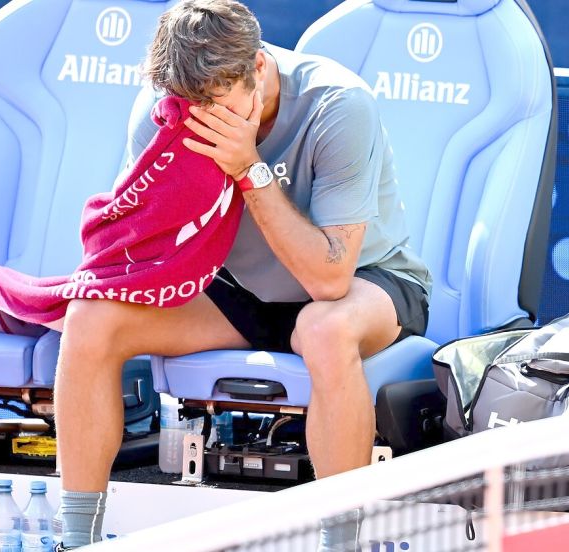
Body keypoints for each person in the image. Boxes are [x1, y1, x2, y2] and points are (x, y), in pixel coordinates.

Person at [52, 0, 432, 549]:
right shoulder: (165, 109)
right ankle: (76, 537)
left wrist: (248, 169)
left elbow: (329, 278)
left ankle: (340, 542)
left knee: (322, 329)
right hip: (241, 291)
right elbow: (142, 242)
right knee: (89, 318)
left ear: (257, 69)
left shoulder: (339, 105)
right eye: (184, 104)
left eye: (214, 103)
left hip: (364, 283)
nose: (196, 117)